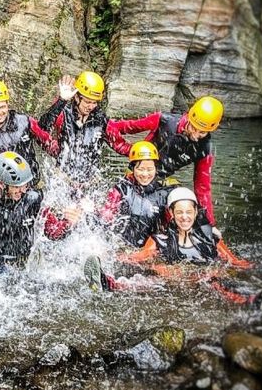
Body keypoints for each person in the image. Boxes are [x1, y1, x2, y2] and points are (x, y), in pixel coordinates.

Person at [83, 187, 262, 315]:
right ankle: (107, 283)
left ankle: (256, 301)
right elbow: (137, 257)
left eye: (189, 212)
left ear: (196, 212)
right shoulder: (160, 240)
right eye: (179, 212)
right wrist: (106, 254)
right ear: (171, 213)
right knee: (146, 281)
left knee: (219, 284)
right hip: (170, 282)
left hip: (204, 281)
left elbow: (236, 262)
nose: (184, 217)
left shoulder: (211, 239)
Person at [106, 96, 249, 267]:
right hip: (138, 175)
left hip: (161, 183)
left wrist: (209, 224)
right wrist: (133, 152)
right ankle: (129, 257)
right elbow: (120, 127)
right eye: (194, 128)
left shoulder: (204, 148)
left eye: (202, 132)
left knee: (186, 208)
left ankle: (229, 259)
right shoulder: (164, 121)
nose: (196, 135)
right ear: (189, 116)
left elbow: (202, 188)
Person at [0, 152, 79, 269]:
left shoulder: (33, 200)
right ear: (1, 184)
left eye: (25, 185)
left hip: (22, 265)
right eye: (16, 186)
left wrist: (68, 223)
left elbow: (52, 232)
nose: (23, 191)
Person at [39, 71, 121, 186]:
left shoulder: (100, 119)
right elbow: (42, 129)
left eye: (94, 103)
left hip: (89, 183)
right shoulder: (64, 114)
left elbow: (120, 141)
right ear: (77, 97)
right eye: (87, 102)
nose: (91, 107)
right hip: (63, 179)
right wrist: (62, 101)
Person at [0, 71, 57, 184]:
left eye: (2, 107)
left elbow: (47, 142)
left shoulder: (24, 122)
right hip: (8, 189)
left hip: (31, 183)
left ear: (8, 105)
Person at [98, 141, 174, 248]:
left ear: (156, 169)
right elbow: (106, 216)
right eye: (140, 169)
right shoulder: (121, 189)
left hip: (149, 248)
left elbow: (173, 224)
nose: (145, 174)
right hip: (122, 246)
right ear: (132, 168)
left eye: (149, 169)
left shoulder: (163, 193)